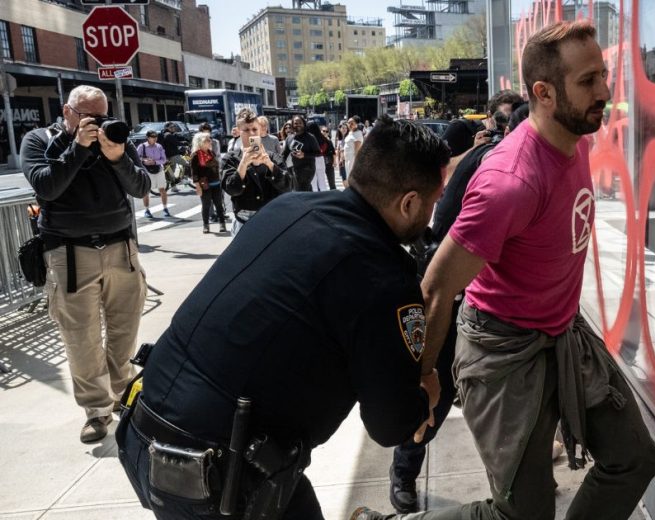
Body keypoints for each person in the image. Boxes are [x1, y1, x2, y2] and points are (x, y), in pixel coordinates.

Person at [354, 20, 655, 520]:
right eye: (587, 81)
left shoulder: (577, 139)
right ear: (543, 93)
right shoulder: (509, 181)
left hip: (562, 333)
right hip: (503, 351)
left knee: (634, 459)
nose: (604, 91)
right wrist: (424, 378)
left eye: (603, 75)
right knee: (521, 514)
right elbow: (436, 288)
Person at [116, 115, 451, 519]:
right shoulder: (382, 276)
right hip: (212, 474)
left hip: (145, 427)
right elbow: (391, 424)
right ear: (409, 202)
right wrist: (426, 393)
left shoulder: (288, 206)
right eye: (433, 201)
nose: (432, 214)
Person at [386, 98, 523, 515]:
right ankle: (404, 471)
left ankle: (518, 484)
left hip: (496, 306)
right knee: (434, 395)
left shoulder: (528, 169)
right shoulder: (487, 163)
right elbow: (442, 234)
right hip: (456, 295)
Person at [20, 85, 150, 444]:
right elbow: (46, 187)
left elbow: (141, 187)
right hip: (70, 255)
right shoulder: (39, 141)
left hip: (120, 248)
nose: (97, 123)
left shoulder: (115, 139)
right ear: (67, 112)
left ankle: (122, 394)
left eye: (102, 115)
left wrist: (117, 157)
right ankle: (96, 410)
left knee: (124, 331)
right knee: (82, 338)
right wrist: (77, 147)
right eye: (88, 116)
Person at [221, 109, 293, 236]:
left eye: (254, 129)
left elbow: (288, 186)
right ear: (239, 131)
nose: (251, 133)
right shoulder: (230, 159)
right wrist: (243, 163)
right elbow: (232, 189)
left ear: (260, 130)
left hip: (272, 219)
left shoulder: (273, 157)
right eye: (246, 130)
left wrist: (269, 164)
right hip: (244, 222)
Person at [189, 131, 226, 234]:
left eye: (209, 140)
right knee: (206, 205)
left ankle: (222, 224)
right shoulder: (195, 155)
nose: (210, 142)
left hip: (216, 183)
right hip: (204, 185)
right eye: (207, 140)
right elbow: (194, 173)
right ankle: (206, 225)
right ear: (200, 142)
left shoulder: (211, 153)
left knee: (219, 205)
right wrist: (198, 187)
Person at [281, 115, 321, 192]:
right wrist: (281, 166)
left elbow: (318, 153)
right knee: (304, 190)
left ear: (304, 124)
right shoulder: (289, 138)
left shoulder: (310, 137)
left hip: (308, 168)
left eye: (300, 123)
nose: (298, 125)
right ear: (292, 125)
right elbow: (284, 154)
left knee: (302, 190)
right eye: (296, 123)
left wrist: (304, 155)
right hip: (295, 169)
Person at [137, 130, 169, 218]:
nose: (155, 138)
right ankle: (147, 210)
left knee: (162, 189)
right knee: (146, 191)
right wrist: (144, 160)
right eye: (152, 137)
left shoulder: (159, 146)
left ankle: (165, 209)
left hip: (159, 169)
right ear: (148, 138)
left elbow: (164, 159)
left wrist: (155, 162)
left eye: (156, 137)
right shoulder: (142, 146)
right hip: (147, 171)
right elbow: (136, 158)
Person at [306, 121, 335, 191]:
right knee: (322, 181)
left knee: (313, 182)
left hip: (311, 159)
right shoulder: (323, 138)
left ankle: (316, 196)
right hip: (321, 159)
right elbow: (324, 149)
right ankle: (324, 196)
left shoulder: (309, 138)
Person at [161, 122, 187, 192]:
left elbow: (177, 139)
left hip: (169, 156)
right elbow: (176, 142)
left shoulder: (166, 134)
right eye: (171, 127)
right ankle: (183, 179)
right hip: (173, 156)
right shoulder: (168, 135)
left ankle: (173, 187)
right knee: (187, 164)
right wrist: (185, 143)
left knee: (172, 172)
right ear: (167, 128)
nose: (173, 128)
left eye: (174, 127)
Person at [342, 116, 364, 182]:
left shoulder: (358, 133)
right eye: (348, 123)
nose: (350, 125)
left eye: (352, 123)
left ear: (356, 124)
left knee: (353, 177)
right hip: (347, 159)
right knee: (349, 177)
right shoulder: (350, 133)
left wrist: (356, 162)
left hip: (353, 159)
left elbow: (357, 150)